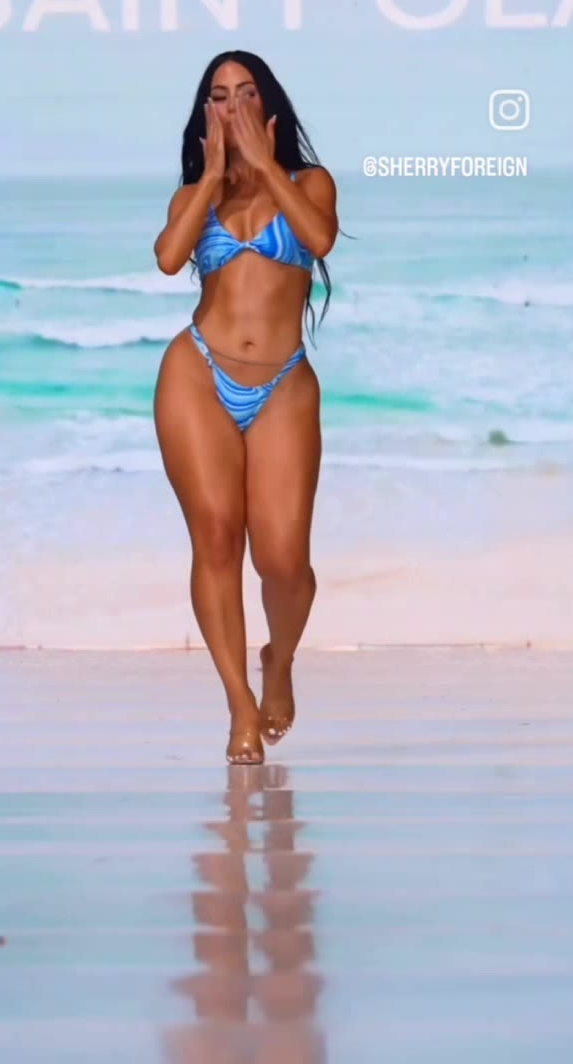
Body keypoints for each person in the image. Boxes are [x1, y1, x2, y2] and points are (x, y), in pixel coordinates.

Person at [153, 50, 338, 765]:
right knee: (216, 539)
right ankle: (237, 705)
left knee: (285, 562)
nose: (233, 104)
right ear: (208, 112)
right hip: (197, 371)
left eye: (246, 91)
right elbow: (169, 258)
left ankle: (278, 662)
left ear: (268, 104)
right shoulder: (193, 196)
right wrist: (211, 178)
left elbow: (319, 238)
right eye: (219, 95)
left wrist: (263, 165)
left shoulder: (309, 182)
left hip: (284, 382)